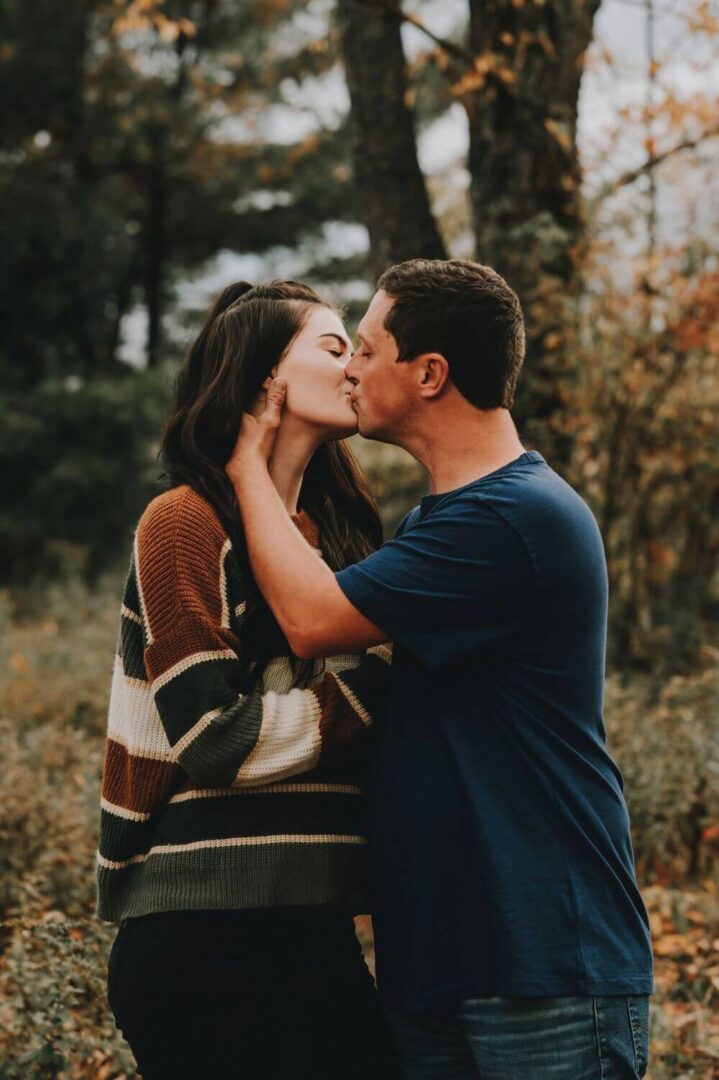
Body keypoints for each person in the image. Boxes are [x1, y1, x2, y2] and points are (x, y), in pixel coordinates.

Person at [225, 258, 655, 1079]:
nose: (350, 366)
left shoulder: (512, 518)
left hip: (542, 968)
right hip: (444, 964)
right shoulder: (444, 521)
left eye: (368, 348)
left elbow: (312, 619)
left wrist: (245, 458)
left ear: (429, 373)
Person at [96, 280, 401, 1080]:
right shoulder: (183, 523)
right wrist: (372, 682)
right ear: (268, 378)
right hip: (202, 935)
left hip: (313, 926)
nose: (354, 368)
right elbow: (215, 740)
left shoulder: (342, 541)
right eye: (334, 348)